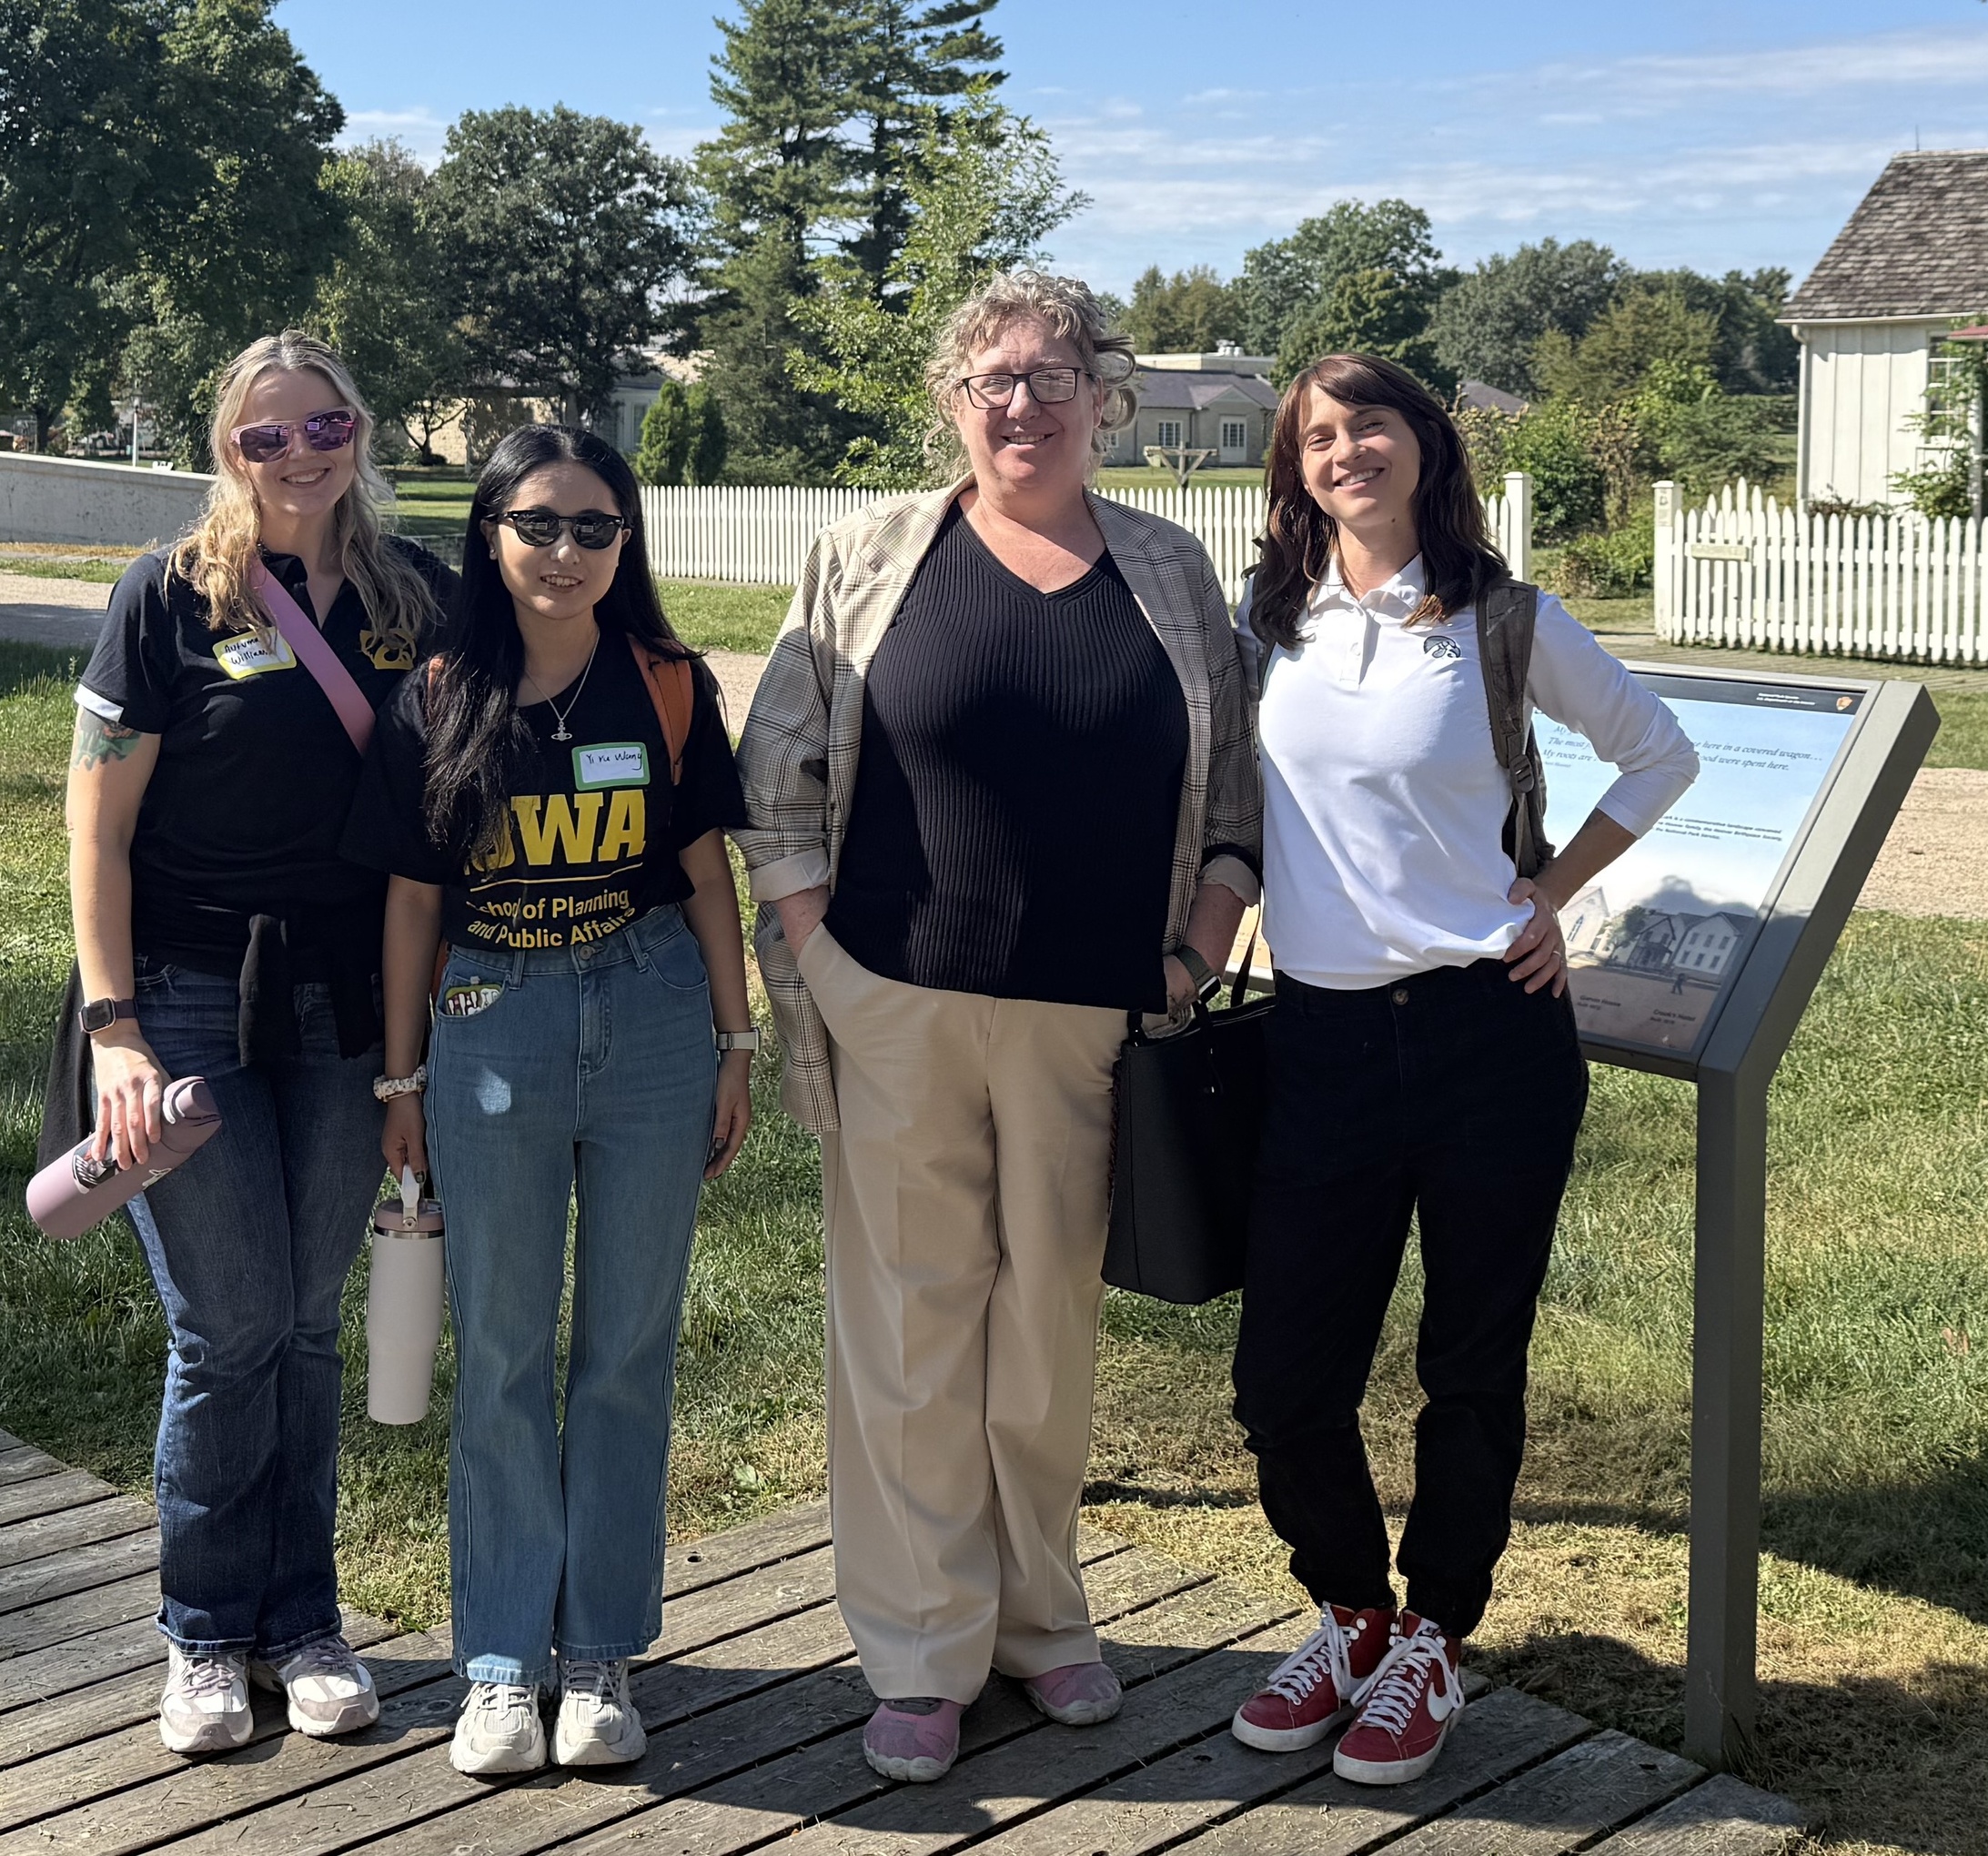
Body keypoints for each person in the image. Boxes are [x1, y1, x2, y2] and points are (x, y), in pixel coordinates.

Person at [734, 269, 1259, 1785]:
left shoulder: (1170, 570)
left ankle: (1038, 1618)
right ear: (951, 406)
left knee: (1044, 1335)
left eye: (1047, 376)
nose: (1017, 404)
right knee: (908, 1335)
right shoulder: (867, 556)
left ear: (1107, 396)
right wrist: (823, 960)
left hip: (1094, 1019)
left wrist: (1196, 946)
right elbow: (776, 782)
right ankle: (918, 1646)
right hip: (895, 998)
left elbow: (1232, 806)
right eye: (987, 380)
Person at [1225, 354, 1698, 1785]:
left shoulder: (1501, 621)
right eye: (1317, 434)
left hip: (1490, 1033)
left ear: (1426, 446)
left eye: (1370, 423)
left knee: (1470, 1365)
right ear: (1292, 466)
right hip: (1318, 1042)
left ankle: (1433, 1635)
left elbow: (1656, 754)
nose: (1345, 450)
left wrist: (1549, 894)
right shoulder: (1269, 623)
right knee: (1283, 1380)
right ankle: (1352, 1612)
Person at [341, 426, 755, 1776]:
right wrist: (402, 1082)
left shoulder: (671, 686)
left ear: (625, 543)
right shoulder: (439, 692)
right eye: (537, 524)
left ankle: (601, 1654)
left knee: (626, 1355)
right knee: (506, 1357)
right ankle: (506, 1663)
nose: (564, 552)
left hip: (648, 1021)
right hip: (488, 1020)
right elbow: (410, 905)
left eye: (593, 527)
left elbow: (704, 878)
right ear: (489, 534)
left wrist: (735, 1041)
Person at [61, 330, 452, 1756]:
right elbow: (94, 831)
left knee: (301, 1323)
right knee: (228, 1329)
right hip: (180, 1002)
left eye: (325, 424)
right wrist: (112, 1030)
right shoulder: (164, 599)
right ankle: (206, 1633)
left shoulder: (422, 596)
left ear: (363, 430)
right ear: (224, 452)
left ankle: (306, 1620)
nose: (299, 454)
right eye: (264, 436)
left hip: (352, 1010)